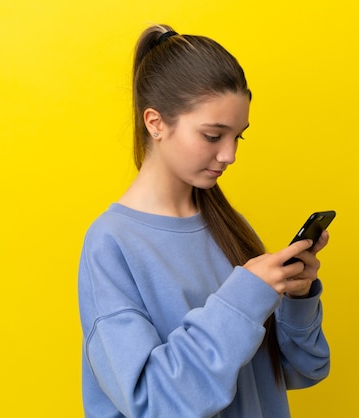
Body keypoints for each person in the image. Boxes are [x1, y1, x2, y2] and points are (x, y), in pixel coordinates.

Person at [78, 24, 331, 418]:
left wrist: (297, 299)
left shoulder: (231, 226)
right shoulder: (111, 245)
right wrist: (244, 296)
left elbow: (303, 369)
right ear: (155, 123)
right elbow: (153, 404)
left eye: (238, 137)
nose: (229, 155)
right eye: (213, 136)